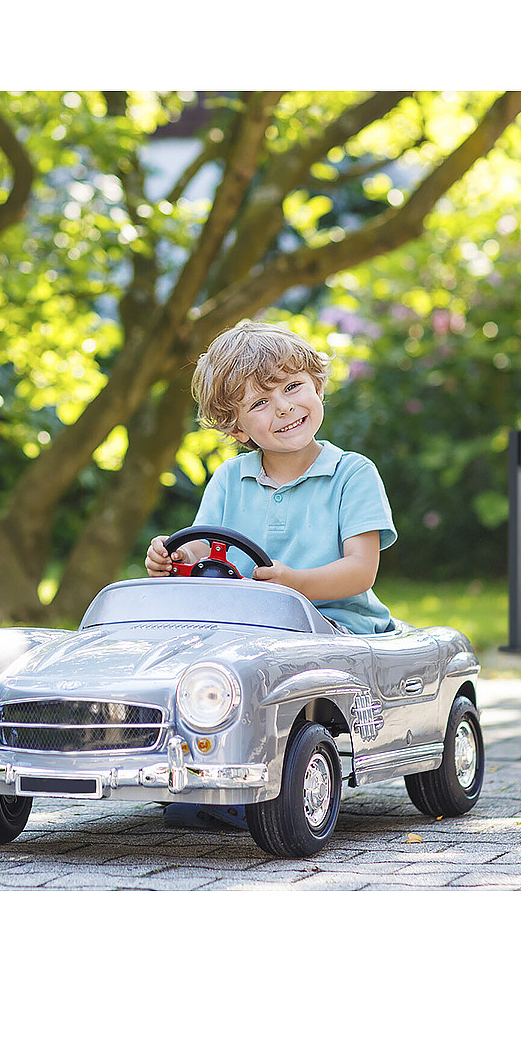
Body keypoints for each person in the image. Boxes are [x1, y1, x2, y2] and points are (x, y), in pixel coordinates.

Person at [144, 319, 397, 830]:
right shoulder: (229, 479)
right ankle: (181, 758)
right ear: (237, 428)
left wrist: (294, 584)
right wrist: (172, 557)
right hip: (248, 629)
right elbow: (202, 548)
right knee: (184, 660)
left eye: (292, 387)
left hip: (335, 625)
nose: (283, 407)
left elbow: (360, 571)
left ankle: (266, 783)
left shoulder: (352, 474)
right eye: (260, 402)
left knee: (270, 668)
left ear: (317, 386)